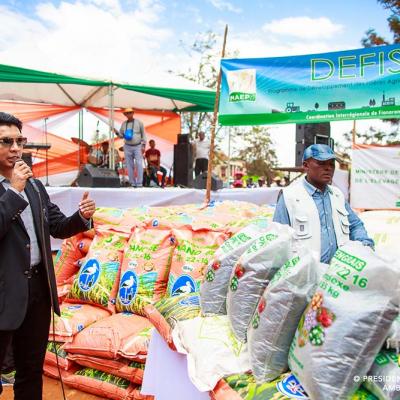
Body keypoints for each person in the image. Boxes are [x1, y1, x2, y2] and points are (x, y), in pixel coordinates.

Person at [0, 112, 96, 399]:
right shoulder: (19, 187)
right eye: (6, 141)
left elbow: (57, 225)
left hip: (37, 290)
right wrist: (13, 191)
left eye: (20, 140)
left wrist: (81, 217)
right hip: (3, 294)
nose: (16, 148)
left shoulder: (34, 185)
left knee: (31, 371)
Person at [273, 144, 374, 264]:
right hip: (305, 276)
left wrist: (364, 243)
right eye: (321, 163)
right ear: (306, 166)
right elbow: (279, 241)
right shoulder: (289, 196)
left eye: (331, 164)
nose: (328, 168)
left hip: (336, 274)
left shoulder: (337, 195)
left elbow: (355, 225)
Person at [115, 108, 146, 187]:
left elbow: (143, 134)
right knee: (129, 165)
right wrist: (116, 132)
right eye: (127, 113)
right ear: (125, 115)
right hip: (127, 146)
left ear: (133, 113)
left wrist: (143, 145)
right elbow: (121, 136)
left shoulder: (139, 122)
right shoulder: (124, 124)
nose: (128, 114)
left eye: (130, 112)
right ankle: (132, 183)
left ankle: (139, 183)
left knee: (139, 164)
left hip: (138, 146)